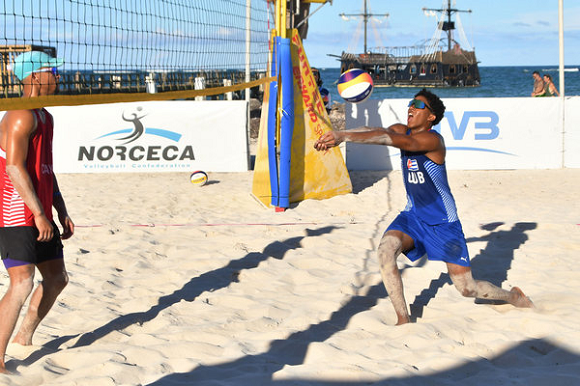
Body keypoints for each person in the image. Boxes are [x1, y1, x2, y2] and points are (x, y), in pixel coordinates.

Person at [314, 89, 533, 325]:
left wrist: (345, 137)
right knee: (386, 252)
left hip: (443, 224)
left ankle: (513, 296)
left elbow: (401, 141)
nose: (411, 107)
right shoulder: (402, 130)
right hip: (413, 216)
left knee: (467, 289)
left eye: (418, 105)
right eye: (411, 102)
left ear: (431, 117)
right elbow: (377, 132)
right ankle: (403, 319)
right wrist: (339, 133)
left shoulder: (432, 140)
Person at [0, 51, 74, 374]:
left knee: (57, 278)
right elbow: (15, 167)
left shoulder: (45, 116)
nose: (58, 75)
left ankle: (24, 336)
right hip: (15, 212)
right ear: (33, 77)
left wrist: (61, 209)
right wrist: (39, 213)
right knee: (22, 282)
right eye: (52, 70)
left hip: (40, 209)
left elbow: (45, 169)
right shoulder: (20, 114)